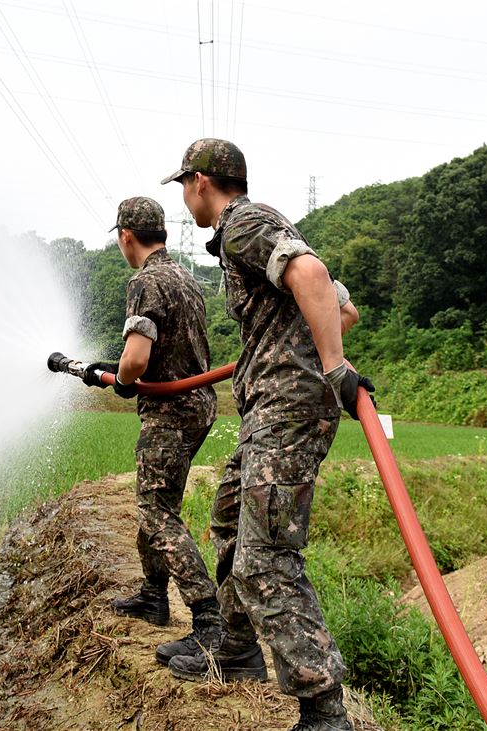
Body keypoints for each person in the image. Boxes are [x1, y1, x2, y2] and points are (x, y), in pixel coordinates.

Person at [157, 139, 370, 731]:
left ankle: (324, 709)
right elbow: (340, 304)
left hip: (287, 414)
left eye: (183, 185)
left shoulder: (242, 224)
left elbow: (312, 274)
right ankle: (235, 648)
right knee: (228, 517)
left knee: (264, 558)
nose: (182, 197)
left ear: (201, 182)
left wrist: (330, 370)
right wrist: (290, 346)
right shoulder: (262, 226)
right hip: (269, 412)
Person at [82, 196, 224, 653]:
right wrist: (124, 368)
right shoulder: (183, 275)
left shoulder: (145, 281)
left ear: (126, 236)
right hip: (198, 405)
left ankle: (209, 618)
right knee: (156, 501)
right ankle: (152, 596)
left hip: (171, 412)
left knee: (157, 513)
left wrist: (123, 378)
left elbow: (139, 357)